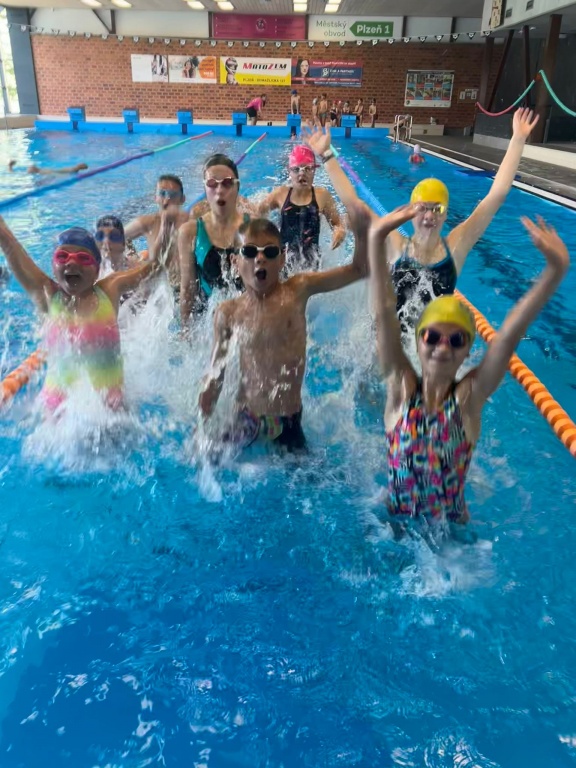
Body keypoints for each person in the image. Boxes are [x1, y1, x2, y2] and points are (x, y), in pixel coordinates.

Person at [369, 205, 570, 524]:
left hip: (452, 538)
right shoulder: (400, 390)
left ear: (467, 351)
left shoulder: (468, 399)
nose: (443, 346)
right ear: (418, 342)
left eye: (456, 340)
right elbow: (384, 312)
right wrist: (376, 237)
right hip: (391, 524)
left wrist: (555, 272)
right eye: (433, 337)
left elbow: (507, 336)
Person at [303, 110, 539, 328]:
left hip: (428, 348)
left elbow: (495, 196)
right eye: (422, 208)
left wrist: (518, 139)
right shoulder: (396, 244)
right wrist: (327, 155)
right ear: (411, 212)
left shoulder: (456, 247)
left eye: (437, 209)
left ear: (446, 215)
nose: (429, 215)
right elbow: (354, 204)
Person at [198, 201, 370, 453]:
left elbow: (358, 270)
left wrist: (362, 233)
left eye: (269, 252)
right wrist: (201, 424)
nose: (259, 259)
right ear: (235, 261)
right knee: (209, 459)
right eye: (249, 252)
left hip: (287, 422)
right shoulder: (228, 312)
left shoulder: (298, 290)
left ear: (282, 258)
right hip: (246, 419)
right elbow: (216, 374)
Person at [0, 221, 162, 414]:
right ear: (53, 265)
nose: (71, 263)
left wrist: (166, 232)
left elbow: (154, 269)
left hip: (110, 408)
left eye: (83, 258)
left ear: (97, 270)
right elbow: (11, 248)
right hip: (57, 410)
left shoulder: (109, 289)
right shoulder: (48, 295)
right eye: (62, 256)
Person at [179, 154, 249, 325]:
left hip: (245, 319)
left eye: (227, 183)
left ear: (237, 187)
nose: (219, 190)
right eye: (212, 184)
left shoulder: (253, 228)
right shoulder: (190, 232)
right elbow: (187, 288)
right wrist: (185, 330)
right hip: (207, 322)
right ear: (205, 188)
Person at [256, 144, 346, 271]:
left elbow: (337, 223)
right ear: (289, 171)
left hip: (313, 263)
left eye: (307, 169)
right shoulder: (280, 194)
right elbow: (257, 213)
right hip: (283, 264)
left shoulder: (322, 196)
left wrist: (339, 232)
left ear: (314, 170)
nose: (302, 174)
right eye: (296, 169)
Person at [124, 174, 188, 290]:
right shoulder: (148, 223)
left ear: (182, 199)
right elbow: (118, 236)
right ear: (156, 198)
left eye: (173, 195)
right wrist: (132, 257)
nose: (167, 200)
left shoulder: (190, 224)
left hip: (180, 287)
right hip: (155, 289)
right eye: (162, 193)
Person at [8, 160, 88, 175]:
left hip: (51, 171)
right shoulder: (74, 169)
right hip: (52, 171)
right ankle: (10, 167)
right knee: (35, 169)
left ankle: (10, 167)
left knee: (35, 169)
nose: (80, 163)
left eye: (81, 164)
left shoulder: (75, 169)